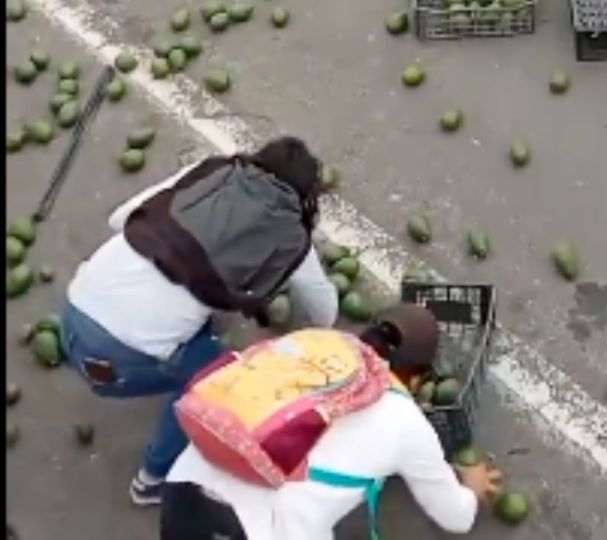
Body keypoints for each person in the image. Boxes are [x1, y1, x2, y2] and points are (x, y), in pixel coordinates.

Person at [59, 137, 340, 506]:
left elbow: (121, 220)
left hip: (70, 317)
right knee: (223, 379)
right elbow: (324, 313)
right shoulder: (290, 237)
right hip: (117, 364)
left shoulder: (209, 174)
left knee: (199, 305)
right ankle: (152, 481)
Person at [161, 304, 503, 540]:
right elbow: (455, 519)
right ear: (416, 378)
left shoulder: (315, 343)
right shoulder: (406, 422)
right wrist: (469, 489)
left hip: (181, 491)